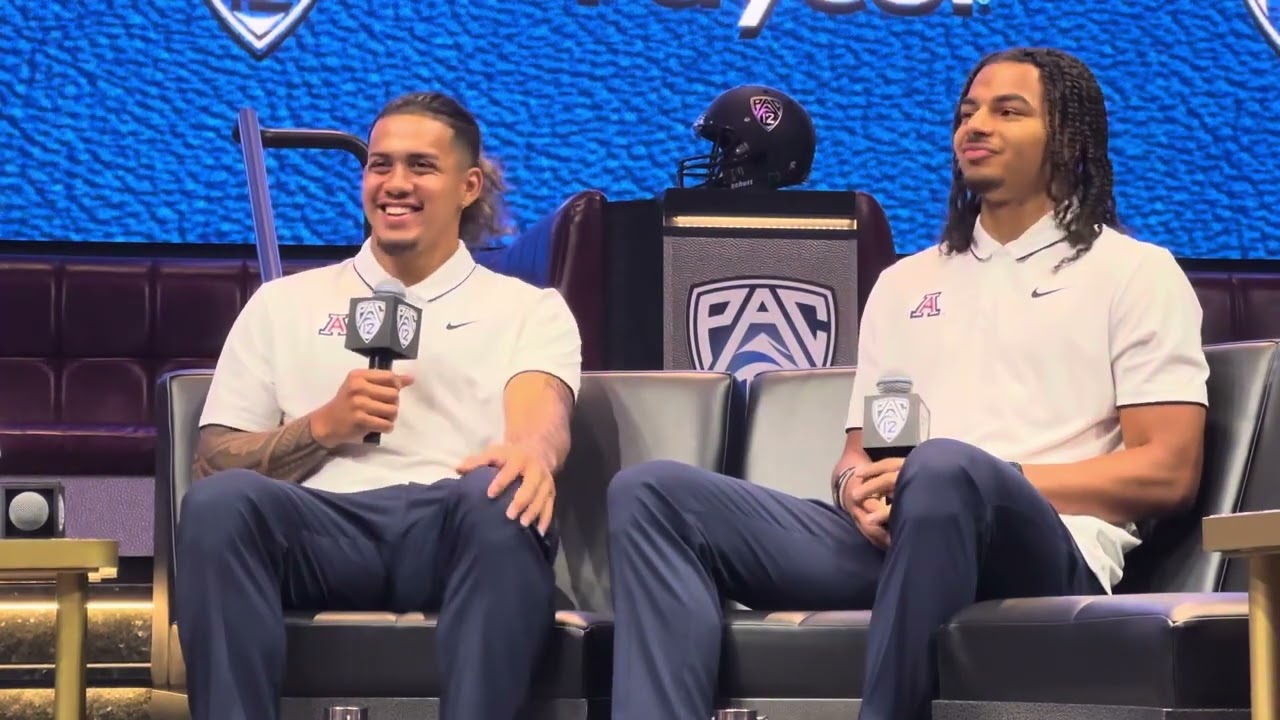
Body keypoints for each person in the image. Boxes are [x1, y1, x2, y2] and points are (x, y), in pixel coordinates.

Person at [605, 47, 1209, 720]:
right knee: (652, 493)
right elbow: (876, 448)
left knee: (944, 469)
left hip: (1048, 545)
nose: (977, 126)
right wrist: (855, 488)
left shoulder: (1134, 273)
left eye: (1008, 112)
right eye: (968, 112)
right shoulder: (907, 283)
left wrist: (990, 480)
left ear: (1068, 138)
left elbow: (1167, 471)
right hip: (904, 538)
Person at [174, 91, 582, 720]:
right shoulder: (283, 303)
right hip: (319, 529)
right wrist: (322, 427)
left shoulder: (528, 308)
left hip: (455, 524)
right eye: (380, 165)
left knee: (501, 490)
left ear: (469, 186)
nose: (395, 184)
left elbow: (540, 417)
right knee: (218, 504)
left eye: (421, 166)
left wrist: (531, 453)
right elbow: (213, 463)